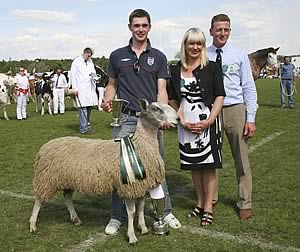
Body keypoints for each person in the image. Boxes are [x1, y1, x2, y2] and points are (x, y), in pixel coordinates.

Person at [101, 8, 181, 235]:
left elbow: (162, 90)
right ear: (130, 27)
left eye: (144, 25)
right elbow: (112, 85)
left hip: (150, 122)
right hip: (125, 118)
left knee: (157, 168)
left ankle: (164, 213)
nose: (140, 29)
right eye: (136, 25)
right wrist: (107, 100)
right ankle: (116, 217)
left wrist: (163, 116)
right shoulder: (117, 56)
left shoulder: (159, 56)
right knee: (120, 170)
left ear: (149, 27)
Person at [168, 28, 225, 225]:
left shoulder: (212, 67)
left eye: (199, 43)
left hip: (208, 124)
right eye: (191, 43)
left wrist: (209, 120)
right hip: (186, 125)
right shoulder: (175, 70)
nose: (195, 47)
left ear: (203, 45)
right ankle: (200, 202)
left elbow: (220, 95)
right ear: (184, 45)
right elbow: (173, 99)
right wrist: (181, 118)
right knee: (194, 164)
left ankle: (209, 206)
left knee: (208, 166)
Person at [207, 14, 257, 220]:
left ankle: (245, 202)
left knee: (241, 158)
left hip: (236, 109)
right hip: (211, 111)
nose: (222, 33)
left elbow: (248, 87)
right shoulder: (203, 53)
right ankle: (211, 198)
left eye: (226, 29)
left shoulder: (238, 53)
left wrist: (250, 117)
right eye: (218, 29)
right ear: (211, 31)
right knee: (211, 158)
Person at [70, 47, 98, 134]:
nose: (89, 58)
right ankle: (83, 128)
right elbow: (73, 75)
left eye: (90, 56)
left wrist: (95, 78)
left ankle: (87, 125)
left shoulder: (90, 61)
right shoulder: (76, 61)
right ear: (85, 53)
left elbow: (93, 72)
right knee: (83, 108)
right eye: (88, 56)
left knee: (89, 107)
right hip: (81, 88)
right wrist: (75, 88)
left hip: (90, 88)